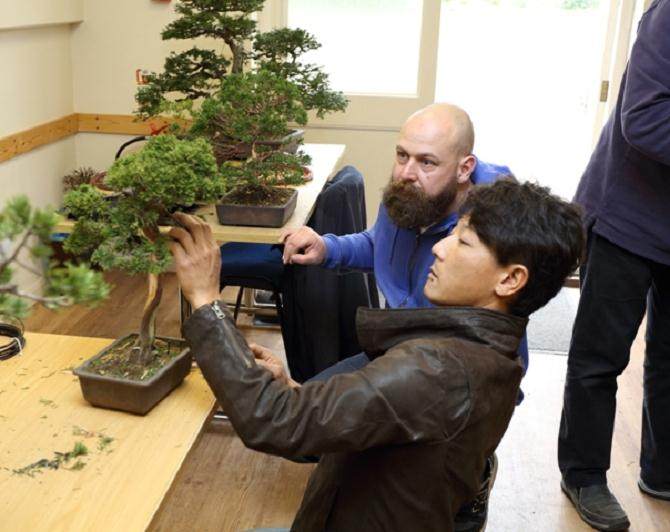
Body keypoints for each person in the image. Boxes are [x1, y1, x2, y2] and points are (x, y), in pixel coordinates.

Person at [169, 179, 584, 532]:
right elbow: (374, 424)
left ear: (510, 279)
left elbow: (274, 422)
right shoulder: (490, 351)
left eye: (463, 241)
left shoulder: (437, 369)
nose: (439, 249)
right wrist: (293, 389)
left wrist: (206, 300)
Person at [280, 102, 529, 530]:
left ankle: (473, 485)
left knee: (421, 496)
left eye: (426, 161)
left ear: (465, 167)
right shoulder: (411, 195)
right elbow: (379, 243)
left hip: (455, 374)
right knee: (310, 432)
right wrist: (329, 247)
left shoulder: (499, 223)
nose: (406, 172)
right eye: (402, 156)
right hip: (401, 346)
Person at [557, 1, 670, 530]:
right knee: (599, 358)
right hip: (628, 213)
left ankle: (662, 470)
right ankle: (583, 474)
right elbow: (644, 119)